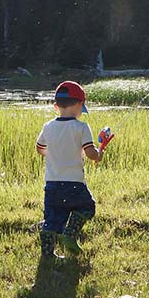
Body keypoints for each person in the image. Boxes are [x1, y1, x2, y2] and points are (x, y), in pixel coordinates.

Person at [36, 80, 103, 258]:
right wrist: (99, 153)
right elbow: (90, 154)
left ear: (56, 105)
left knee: (52, 218)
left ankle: (47, 255)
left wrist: (55, 152)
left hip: (51, 184)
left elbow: (40, 148)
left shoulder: (48, 126)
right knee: (88, 207)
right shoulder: (81, 127)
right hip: (74, 184)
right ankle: (70, 234)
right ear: (80, 104)